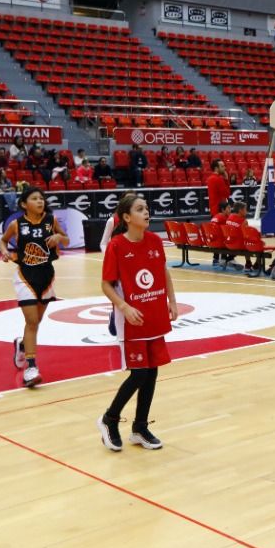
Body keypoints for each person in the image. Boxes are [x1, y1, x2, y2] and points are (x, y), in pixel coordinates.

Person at [98, 193, 177, 452]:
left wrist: (172, 301)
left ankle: (139, 427)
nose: (147, 212)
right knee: (140, 372)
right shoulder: (117, 246)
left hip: (154, 314)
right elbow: (106, 284)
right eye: (140, 209)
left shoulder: (154, 240)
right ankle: (109, 419)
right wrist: (124, 306)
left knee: (152, 371)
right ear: (127, 217)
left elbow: (163, 271)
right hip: (131, 319)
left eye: (147, 208)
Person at [0, 187, 67, 388]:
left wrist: (59, 238)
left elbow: (66, 239)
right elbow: (3, 241)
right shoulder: (16, 224)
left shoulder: (51, 221)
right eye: (35, 198)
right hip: (25, 276)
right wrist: (4, 252)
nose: (40, 201)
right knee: (31, 321)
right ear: (23, 204)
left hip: (46, 276)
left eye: (41, 198)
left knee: (35, 323)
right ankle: (31, 368)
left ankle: (22, 345)